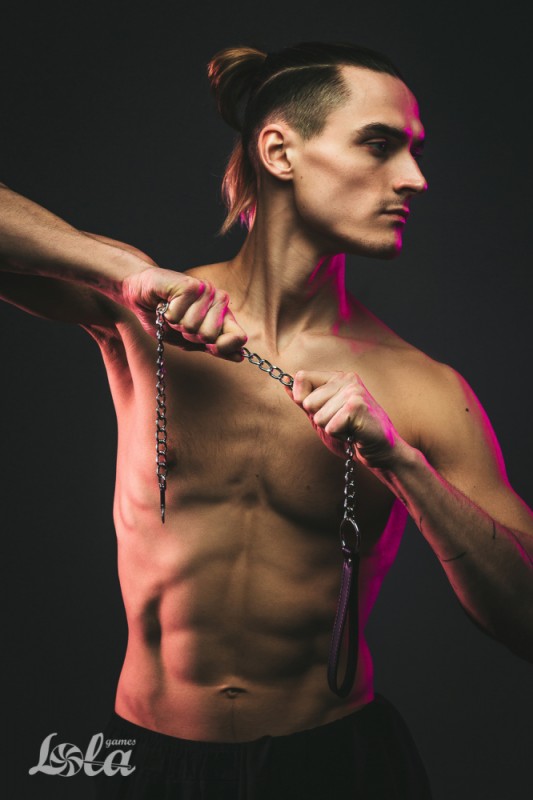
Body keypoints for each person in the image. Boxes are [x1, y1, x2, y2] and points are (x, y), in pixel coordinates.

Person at [1, 41, 532, 799]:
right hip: (151, 762)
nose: (414, 178)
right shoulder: (141, 311)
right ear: (279, 151)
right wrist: (123, 272)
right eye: (379, 145)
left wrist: (402, 465)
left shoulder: (426, 391)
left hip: (336, 763)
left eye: (413, 152)